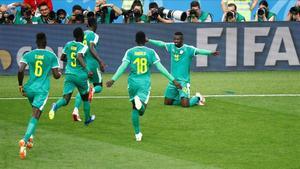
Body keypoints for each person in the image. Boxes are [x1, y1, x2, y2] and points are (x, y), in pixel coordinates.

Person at [106, 31, 181, 141]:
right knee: (141, 109)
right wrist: (173, 80)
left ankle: (137, 134)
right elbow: (161, 68)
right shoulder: (151, 52)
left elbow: (122, 67)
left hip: (132, 83)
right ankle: (140, 105)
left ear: (136, 40)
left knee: (134, 108)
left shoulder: (130, 52)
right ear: (145, 40)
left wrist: (113, 79)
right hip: (144, 83)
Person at [18, 32, 61, 159]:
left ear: (36, 42)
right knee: (37, 114)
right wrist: (59, 73)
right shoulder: (51, 55)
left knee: (35, 112)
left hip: (29, 89)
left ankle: (31, 138)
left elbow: (20, 70)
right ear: (46, 42)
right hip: (42, 90)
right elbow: (55, 75)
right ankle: (24, 140)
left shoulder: (28, 54)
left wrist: (20, 85)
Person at [147, 32, 220, 108]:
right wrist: (149, 40)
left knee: (185, 105)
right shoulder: (171, 46)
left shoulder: (188, 49)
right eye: (174, 39)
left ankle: (198, 98)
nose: (175, 41)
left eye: (178, 39)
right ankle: (181, 98)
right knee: (167, 103)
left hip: (183, 82)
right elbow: (161, 44)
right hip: (173, 81)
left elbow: (199, 51)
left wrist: (210, 53)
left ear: (182, 40)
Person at [49, 27, 95, 126]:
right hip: (80, 76)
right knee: (85, 98)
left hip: (69, 75)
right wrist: (88, 70)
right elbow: (79, 56)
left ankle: (55, 106)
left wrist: (70, 61)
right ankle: (87, 119)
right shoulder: (83, 46)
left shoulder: (68, 44)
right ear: (82, 36)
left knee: (65, 99)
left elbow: (62, 57)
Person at [72, 18, 106, 121]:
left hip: (83, 65)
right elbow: (91, 48)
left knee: (83, 90)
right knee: (99, 86)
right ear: (95, 24)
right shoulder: (94, 35)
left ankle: (75, 110)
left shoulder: (81, 34)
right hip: (92, 64)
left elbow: (76, 48)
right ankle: (93, 90)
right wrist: (100, 61)